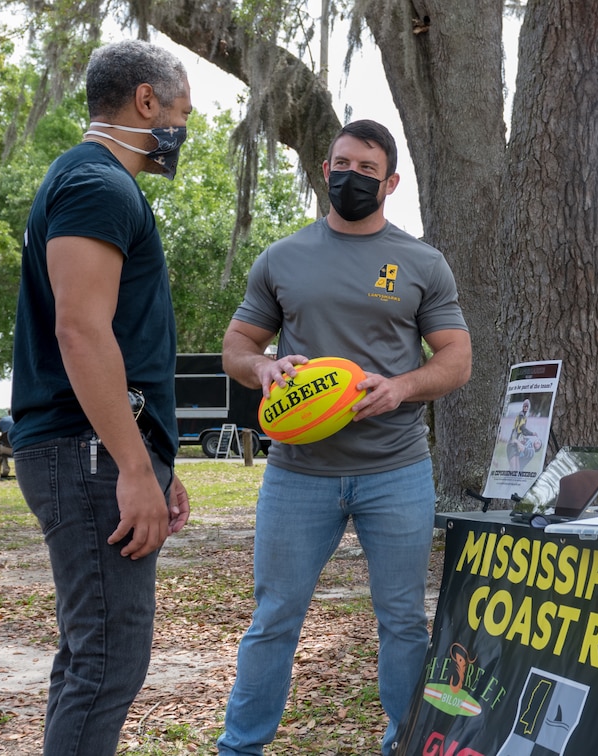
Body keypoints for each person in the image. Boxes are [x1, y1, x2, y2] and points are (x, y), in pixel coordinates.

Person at [217, 119, 471, 754]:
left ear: (390, 182)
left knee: (404, 624)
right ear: (324, 169)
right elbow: (238, 347)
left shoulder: (421, 261)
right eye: (340, 163)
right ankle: (240, 747)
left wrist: (402, 387)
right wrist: (264, 367)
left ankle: (404, 744)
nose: (349, 176)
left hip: (396, 470)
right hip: (298, 472)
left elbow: (456, 360)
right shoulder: (283, 258)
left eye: (365, 169)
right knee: (274, 620)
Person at [9, 39, 192, 755]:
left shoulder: (87, 181)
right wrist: (135, 470)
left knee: (91, 656)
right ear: (146, 100)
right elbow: (81, 332)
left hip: (95, 453)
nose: (183, 129)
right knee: (109, 660)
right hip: (86, 455)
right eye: (181, 111)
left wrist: (155, 461)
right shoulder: (97, 185)